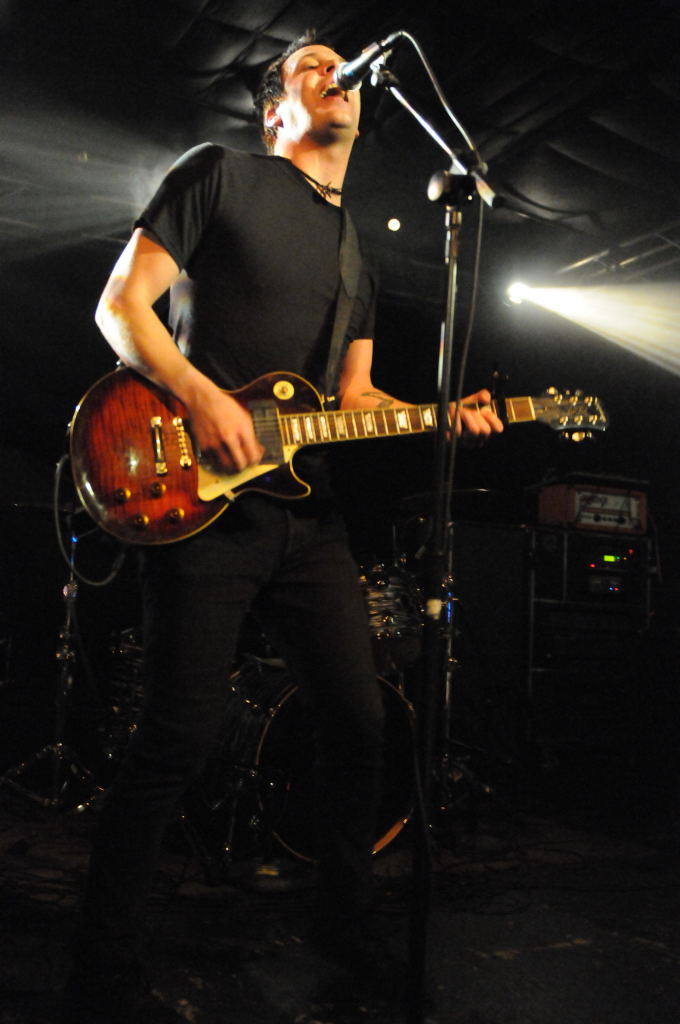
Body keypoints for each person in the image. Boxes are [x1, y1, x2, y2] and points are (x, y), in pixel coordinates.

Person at [60, 30, 503, 1023]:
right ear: (273, 113)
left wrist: (438, 416)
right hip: (202, 503)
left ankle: (344, 927)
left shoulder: (355, 253)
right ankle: (101, 974)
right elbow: (119, 307)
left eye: (340, 68)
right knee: (174, 739)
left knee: (358, 719)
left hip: (308, 520)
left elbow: (352, 397)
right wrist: (201, 396)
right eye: (310, 65)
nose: (333, 75)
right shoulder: (220, 175)